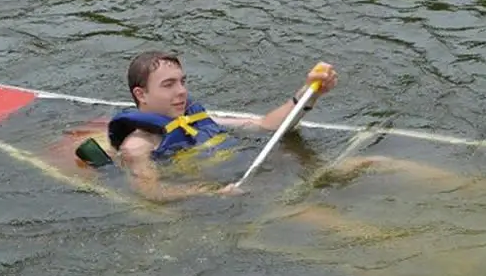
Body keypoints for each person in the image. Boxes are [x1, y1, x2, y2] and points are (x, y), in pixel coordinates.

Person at [106, 50, 338, 202]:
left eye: (182, 82)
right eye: (169, 85)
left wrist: (308, 94)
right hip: (231, 191)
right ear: (141, 94)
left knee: (363, 165)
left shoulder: (193, 118)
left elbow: (265, 125)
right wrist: (211, 192)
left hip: (260, 174)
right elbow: (150, 191)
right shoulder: (137, 147)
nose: (182, 91)